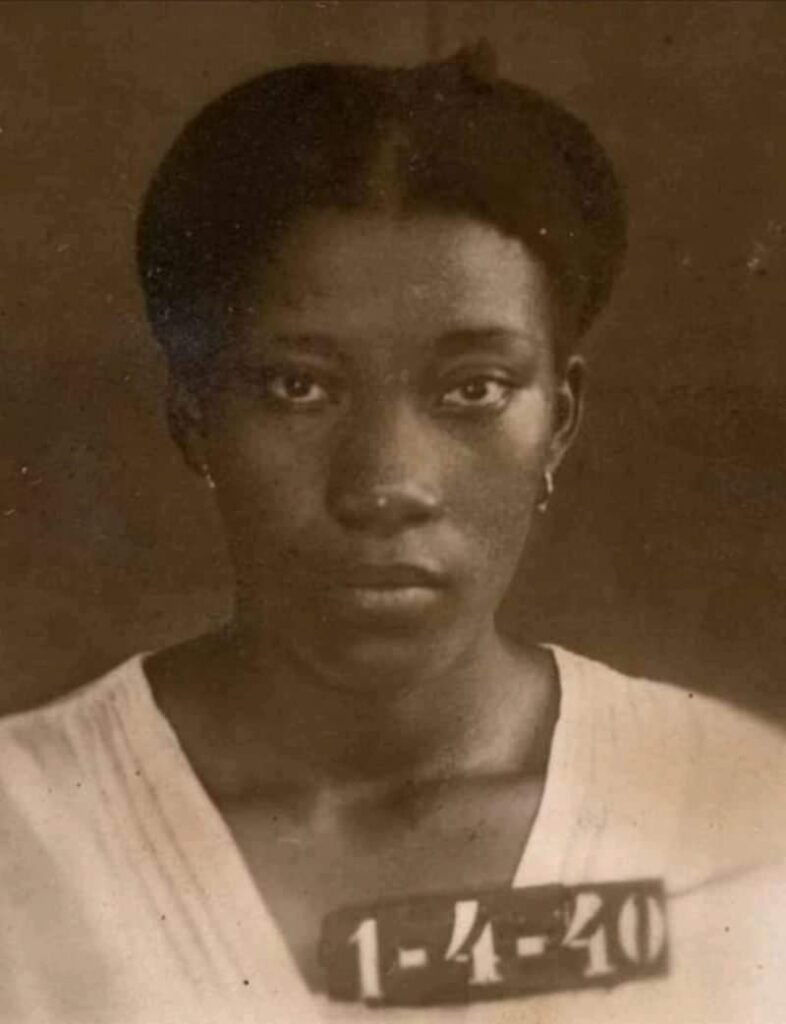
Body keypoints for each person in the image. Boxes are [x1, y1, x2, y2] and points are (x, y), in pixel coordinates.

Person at [0, 48, 784, 1024]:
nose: (385, 486)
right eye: (299, 387)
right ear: (193, 419)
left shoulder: (744, 817)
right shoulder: (25, 832)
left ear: (560, 419)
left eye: (473, 389)